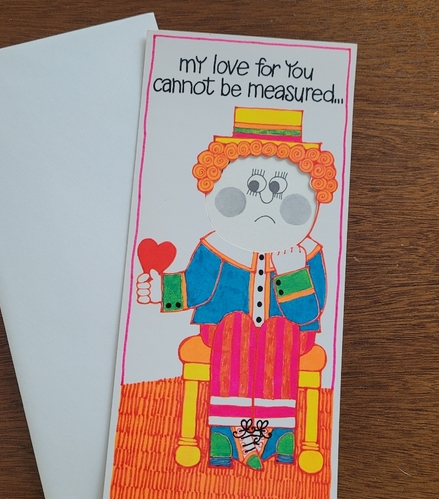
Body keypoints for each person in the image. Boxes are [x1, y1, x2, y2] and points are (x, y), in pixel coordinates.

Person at [137, 107, 337, 470]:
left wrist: (293, 274)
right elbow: (194, 287)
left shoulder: (307, 254)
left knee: (277, 333)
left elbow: (309, 312)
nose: (265, 199)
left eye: (278, 189)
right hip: (223, 333)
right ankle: (227, 434)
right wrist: (161, 290)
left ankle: (276, 433)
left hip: (291, 337)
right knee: (236, 330)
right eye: (254, 187)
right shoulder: (216, 247)